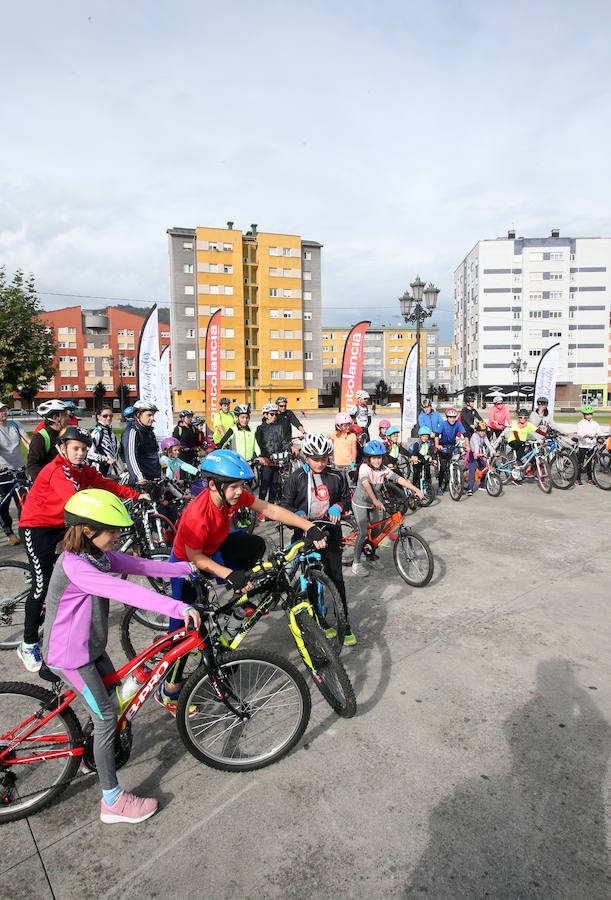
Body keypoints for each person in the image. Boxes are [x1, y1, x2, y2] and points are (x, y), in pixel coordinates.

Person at [43, 489, 199, 824]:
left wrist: (184, 568)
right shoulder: (76, 567)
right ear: (87, 530)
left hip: (90, 649)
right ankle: (112, 802)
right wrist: (176, 607)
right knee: (106, 718)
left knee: (112, 701)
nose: (118, 536)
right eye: (112, 530)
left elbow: (139, 564)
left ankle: (88, 756)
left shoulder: (94, 556)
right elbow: (126, 590)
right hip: (70, 657)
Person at [159, 449, 327, 711]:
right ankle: (168, 692)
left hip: (214, 547)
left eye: (241, 486)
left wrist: (308, 527)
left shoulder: (230, 498)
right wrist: (230, 575)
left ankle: (240, 602)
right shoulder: (196, 515)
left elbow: (269, 508)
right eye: (234, 486)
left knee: (254, 545)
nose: (239, 491)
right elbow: (196, 559)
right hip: (187, 565)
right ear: (214, 485)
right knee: (187, 631)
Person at [17, 426, 143, 672]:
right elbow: (76, 503)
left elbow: (106, 484)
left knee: (76, 569)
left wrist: (135, 495)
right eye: (75, 448)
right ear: (63, 448)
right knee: (41, 586)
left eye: (84, 449)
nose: (81, 453)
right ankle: (28, 642)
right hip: (38, 528)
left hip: (63, 525)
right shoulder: (55, 471)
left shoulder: (83, 470)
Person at [279, 433, 356, 646]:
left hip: (330, 531)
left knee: (336, 578)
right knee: (310, 577)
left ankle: (344, 622)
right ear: (306, 456)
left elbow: (345, 498)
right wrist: (297, 514)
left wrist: (339, 506)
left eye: (324, 458)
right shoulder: (296, 477)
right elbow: (284, 505)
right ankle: (319, 620)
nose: (321, 463)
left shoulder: (336, 475)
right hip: (305, 531)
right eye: (315, 459)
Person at [350, 439, 422, 577]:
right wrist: (376, 500)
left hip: (374, 503)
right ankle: (356, 563)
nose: (377, 461)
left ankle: (370, 557)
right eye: (374, 457)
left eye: (379, 457)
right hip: (361, 503)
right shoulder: (364, 468)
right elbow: (366, 485)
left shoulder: (383, 469)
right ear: (368, 458)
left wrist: (415, 489)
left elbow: (398, 479)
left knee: (377, 531)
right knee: (363, 532)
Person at [0, 402, 30, 545]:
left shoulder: (15, 425)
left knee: (24, 502)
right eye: (0, 411)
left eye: (4, 409)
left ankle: (24, 531)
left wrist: (34, 451)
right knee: (3, 506)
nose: (3, 412)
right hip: (3, 473)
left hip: (19, 471)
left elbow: (27, 441)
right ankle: (9, 532)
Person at [255, 402, 293, 509]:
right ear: (265, 415)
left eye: (276, 414)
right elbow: (259, 444)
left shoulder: (279, 427)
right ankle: (260, 509)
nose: (274, 416)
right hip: (267, 462)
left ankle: (271, 507)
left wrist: (289, 448)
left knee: (274, 486)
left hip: (277, 461)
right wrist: (263, 456)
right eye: (272, 414)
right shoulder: (260, 428)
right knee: (264, 486)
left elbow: (284, 441)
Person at [26, 400, 69, 481]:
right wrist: (47, 480)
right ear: (56, 418)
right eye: (65, 415)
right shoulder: (41, 437)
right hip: (48, 483)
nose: (68, 418)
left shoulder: (64, 434)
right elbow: (32, 465)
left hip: (62, 480)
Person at [123, 400, 161, 485]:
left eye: (153, 415)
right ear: (138, 415)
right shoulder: (133, 432)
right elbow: (131, 457)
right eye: (149, 415)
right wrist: (140, 478)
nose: (152, 418)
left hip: (154, 480)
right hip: (142, 482)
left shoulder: (150, 433)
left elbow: (155, 456)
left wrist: (160, 478)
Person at [434, 408, 469, 495]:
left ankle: (457, 484)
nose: (452, 419)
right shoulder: (443, 424)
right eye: (450, 417)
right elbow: (437, 435)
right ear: (447, 418)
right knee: (443, 468)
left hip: (452, 446)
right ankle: (440, 487)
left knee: (456, 464)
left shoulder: (458, 423)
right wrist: (437, 445)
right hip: (443, 447)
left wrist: (467, 446)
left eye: (454, 417)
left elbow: (465, 434)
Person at [507, 409, 544, 476]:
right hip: (513, 440)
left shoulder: (528, 425)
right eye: (521, 417)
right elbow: (515, 433)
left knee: (529, 453)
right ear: (518, 418)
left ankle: (528, 469)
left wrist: (546, 435)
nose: (523, 419)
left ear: (527, 418)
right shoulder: (515, 424)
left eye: (525, 417)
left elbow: (537, 430)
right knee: (521, 447)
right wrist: (519, 441)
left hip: (522, 442)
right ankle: (517, 462)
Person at [88, 406, 120, 477]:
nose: (108, 418)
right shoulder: (95, 432)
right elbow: (89, 453)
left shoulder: (110, 432)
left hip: (111, 472)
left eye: (111, 415)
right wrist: (106, 459)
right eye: (105, 416)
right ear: (98, 417)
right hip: (98, 473)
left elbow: (116, 451)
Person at [466, 420, 495, 495]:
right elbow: (476, 445)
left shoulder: (484, 436)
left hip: (479, 453)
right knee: (472, 471)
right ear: (477, 431)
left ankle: (482, 485)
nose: (482, 433)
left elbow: (488, 444)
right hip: (473, 453)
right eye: (480, 431)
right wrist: (477, 453)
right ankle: (470, 488)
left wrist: (493, 451)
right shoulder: (475, 436)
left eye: (484, 431)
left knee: (484, 467)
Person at [576, 405, 602, 485]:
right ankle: (578, 478)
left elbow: (599, 432)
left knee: (589, 463)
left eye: (590, 414)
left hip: (591, 445)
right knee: (580, 462)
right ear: (584, 415)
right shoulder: (580, 423)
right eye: (587, 414)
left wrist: (606, 434)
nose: (589, 416)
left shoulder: (595, 424)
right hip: (583, 445)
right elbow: (579, 433)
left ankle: (590, 479)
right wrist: (584, 435)